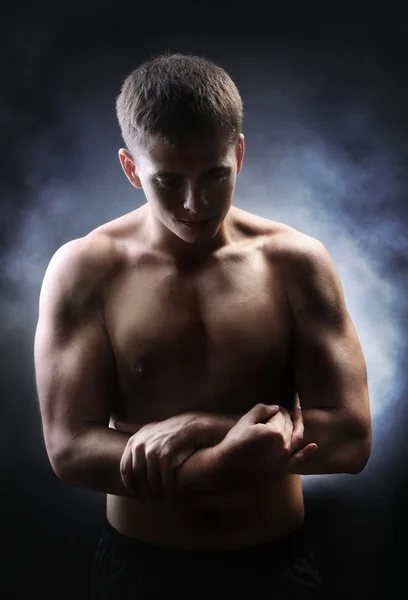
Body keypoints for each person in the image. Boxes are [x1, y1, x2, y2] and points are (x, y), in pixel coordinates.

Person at [34, 52, 372, 599]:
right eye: (167, 180)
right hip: (140, 571)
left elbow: (353, 441)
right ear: (130, 168)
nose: (194, 204)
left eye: (215, 175)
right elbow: (69, 449)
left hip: (274, 567)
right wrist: (214, 468)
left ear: (238, 154)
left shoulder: (294, 262)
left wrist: (199, 425)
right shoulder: (85, 269)